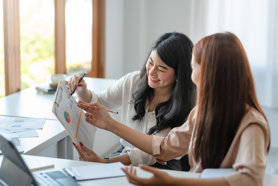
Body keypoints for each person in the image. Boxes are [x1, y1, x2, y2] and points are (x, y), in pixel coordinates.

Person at [78, 32, 270, 186]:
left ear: (210, 74)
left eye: (193, 68)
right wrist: (110, 124)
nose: (191, 75)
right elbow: (164, 147)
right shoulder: (202, 113)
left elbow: (251, 179)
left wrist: (174, 181)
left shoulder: (251, 124)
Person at [68, 32, 196, 170]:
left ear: (179, 74)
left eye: (161, 69)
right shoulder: (134, 81)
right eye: (150, 62)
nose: (151, 72)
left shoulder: (188, 103)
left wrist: (105, 162)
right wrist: (82, 90)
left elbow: (154, 152)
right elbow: (100, 100)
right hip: (126, 153)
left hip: (162, 163)